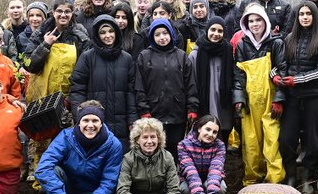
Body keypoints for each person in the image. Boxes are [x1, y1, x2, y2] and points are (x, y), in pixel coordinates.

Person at [35, 100, 125, 194]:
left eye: (95, 120)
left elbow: (108, 184)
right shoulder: (65, 137)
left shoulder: (113, 145)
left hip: (94, 193)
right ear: (78, 122)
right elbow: (42, 168)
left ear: (101, 122)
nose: (90, 125)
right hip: (68, 190)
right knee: (55, 171)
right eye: (86, 120)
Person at [273, 0, 318, 194]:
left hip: (316, 96)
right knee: (286, 139)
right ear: (297, 17)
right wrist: (273, 74)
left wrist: (297, 80)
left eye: (308, 14)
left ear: (314, 16)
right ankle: (291, 174)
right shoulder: (289, 38)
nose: (305, 17)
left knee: (313, 140)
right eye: (301, 14)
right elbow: (281, 64)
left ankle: (308, 177)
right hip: (293, 98)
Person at [233, 3, 285, 185]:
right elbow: (238, 75)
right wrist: (238, 99)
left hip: (271, 101)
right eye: (251, 21)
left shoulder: (276, 43)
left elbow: (283, 71)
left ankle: (275, 180)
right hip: (250, 102)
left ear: (265, 22)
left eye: (258, 20)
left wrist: (279, 99)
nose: (255, 24)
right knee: (251, 142)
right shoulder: (241, 46)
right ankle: (252, 180)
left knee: (272, 141)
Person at [135, 18, 198, 157]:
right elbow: (139, 86)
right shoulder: (144, 56)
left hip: (178, 114)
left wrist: (192, 108)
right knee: (156, 151)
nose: (162, 37)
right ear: (152, 37)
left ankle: (174, 177)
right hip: (154, 114)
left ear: (171, 34)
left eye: (165, 33)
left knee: (176, 151)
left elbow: (190, 84)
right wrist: (144, 110)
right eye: (157, 35)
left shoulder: (181, 56)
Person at [115, 117, 183, 194]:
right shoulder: (128, 159)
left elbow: (174, 190)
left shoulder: (167, 157)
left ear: (159, 139)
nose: (149, 141)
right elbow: (122, 192)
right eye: (145, 137)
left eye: (153, 137)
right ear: (137, 140)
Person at [70, 15, 137, 142]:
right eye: (103, 32)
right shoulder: (87, 58)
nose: (108, 36)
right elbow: (77, 90)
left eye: (111, 31)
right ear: (97, 35)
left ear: (117, 32)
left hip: (121, 124)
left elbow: (131, 92)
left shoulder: (127, 58)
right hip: (94, 122)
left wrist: (133, 119)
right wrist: (80, 116)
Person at [189, 16, 236, 144]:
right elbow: (191, 82)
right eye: (213, 30)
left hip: (223, 103)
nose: (216, 34)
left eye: (220, 31)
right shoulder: (195, 54)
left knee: (223, 135)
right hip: (204, 102)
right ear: (207, 30)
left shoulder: (228, 52)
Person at [177, 115, 227, 194]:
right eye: (207, 129)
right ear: (199, 128)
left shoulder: (220, 146)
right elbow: (190, 171)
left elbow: (216, 170)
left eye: (214, 132)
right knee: (184, 190)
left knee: (221, 189)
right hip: (190, 179)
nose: (210, 134)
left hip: (210, 178)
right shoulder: (184, 145)